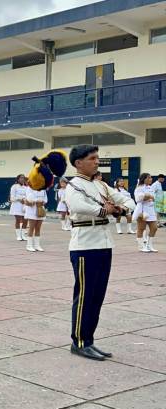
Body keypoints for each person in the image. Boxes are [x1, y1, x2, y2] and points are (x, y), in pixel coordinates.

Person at [64, 144, 135, 360]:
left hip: (104, 244)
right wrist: (108, 209)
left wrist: (122, 208)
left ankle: (89, 340)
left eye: (97, 158)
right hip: (85, 246)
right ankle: (79, 342)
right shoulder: (74, 185)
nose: (97, 161)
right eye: (93, 158)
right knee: (85, 296)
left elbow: (127, 199)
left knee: (97, 296)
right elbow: (78, 207)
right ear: (79, 163)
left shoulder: (102, 186)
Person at [133, 173, 159, 253]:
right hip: (142, 210)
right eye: (149, 178)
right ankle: (141, 246)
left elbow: (153, 197)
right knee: (141, 228)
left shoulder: (150, 187)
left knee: (154, 228)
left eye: (151, 178)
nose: (151, 179)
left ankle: (149, 245)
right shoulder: (139, 188)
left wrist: (149, 197)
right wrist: (147, 196)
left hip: (151, 210)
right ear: (144, 179)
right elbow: (138, 199)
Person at [24, 183, 48, 252]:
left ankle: (37, 245)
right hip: (32, 210)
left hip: (40, 209)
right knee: (31, 227)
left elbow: (45, 199)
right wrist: (37, 201)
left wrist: (43, 202)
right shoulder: (29, 188)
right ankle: (29, 245)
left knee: (38, 228)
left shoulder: (43, 189)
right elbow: (29, 198)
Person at [9, 175, 29, 241]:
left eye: (23, 178)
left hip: (24, 205)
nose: (22, 179)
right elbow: (12, 198)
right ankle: (18, 236)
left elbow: (28, 196)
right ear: (18, 179)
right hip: (16, 205)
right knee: (18, 220)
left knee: (25, 220)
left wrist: (25, 200)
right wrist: (20, 199)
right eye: (21, 178)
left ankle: (23, 235)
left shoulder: (26, 188)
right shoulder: (14, 187)